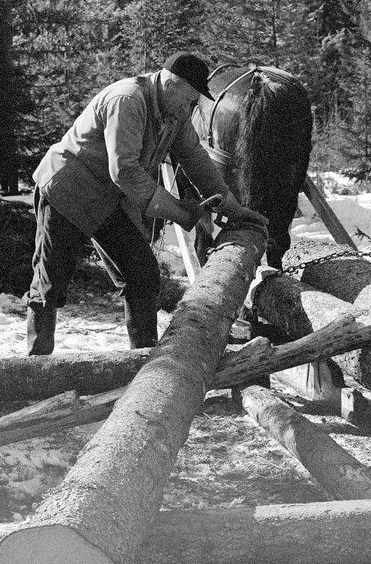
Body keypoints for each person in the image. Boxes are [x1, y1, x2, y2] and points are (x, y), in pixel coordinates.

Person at [24, 52, 268, 354]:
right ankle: (35, 365)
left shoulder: (174, 112)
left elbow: (195, 158)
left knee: (142, 275)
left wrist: (233, 208)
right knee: (50, 285)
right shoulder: (128, 99)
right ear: (171, 84)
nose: (189, 107)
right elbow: (124, 170)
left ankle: (145, 363)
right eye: (189, 99)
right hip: (68, 190)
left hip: (108, 197)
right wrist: (178, 212)